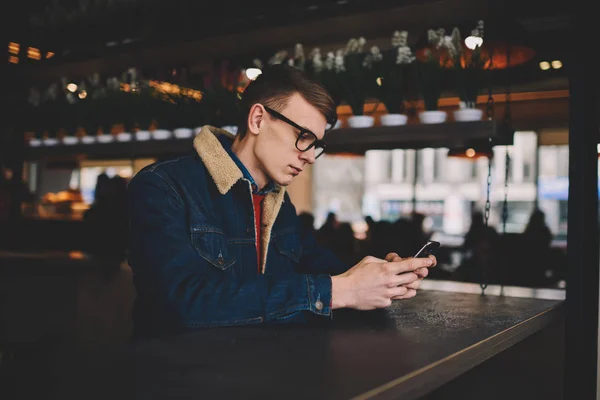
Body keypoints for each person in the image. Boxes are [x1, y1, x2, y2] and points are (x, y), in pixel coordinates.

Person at [127, 64, 436, 338]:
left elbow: (326, 270)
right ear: (258, 119)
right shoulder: (163, 186)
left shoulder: (278, 203)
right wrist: (338, 291)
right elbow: (179, 303)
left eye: (317, 145)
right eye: (303, 137)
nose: (311, 156)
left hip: (261, 374)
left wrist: (382, 276)